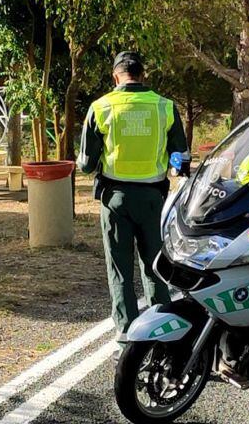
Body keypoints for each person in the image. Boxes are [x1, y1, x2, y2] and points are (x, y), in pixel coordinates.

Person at [77, 51, 188, 349]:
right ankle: (162, 329)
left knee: (120, 268)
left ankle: (127, 336)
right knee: (155, 266)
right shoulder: (165, 107)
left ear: (116, 76)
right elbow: (182, 157)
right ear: (143, 74)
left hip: (115, 200)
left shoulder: (100, 108)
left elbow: (86, 163)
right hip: (154, 199)